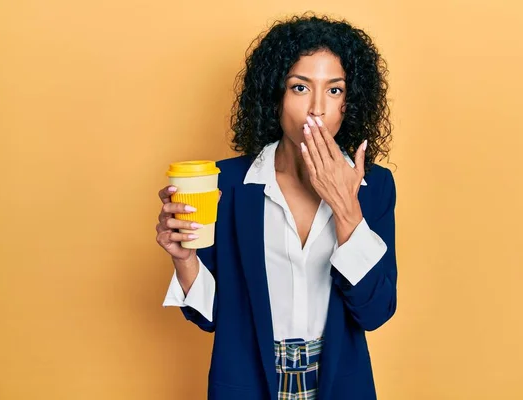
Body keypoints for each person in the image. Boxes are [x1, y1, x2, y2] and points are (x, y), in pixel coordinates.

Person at [156, 13, 398, 400]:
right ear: (275, 96)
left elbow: (376, 312)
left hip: (338, 385)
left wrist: (346, 209)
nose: (317, 107)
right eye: (300, 88)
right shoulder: (229, 184)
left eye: (334, 90)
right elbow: (212, 317)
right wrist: (184, 259)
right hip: (247, 383)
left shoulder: (374, 187)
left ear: (349, 103)